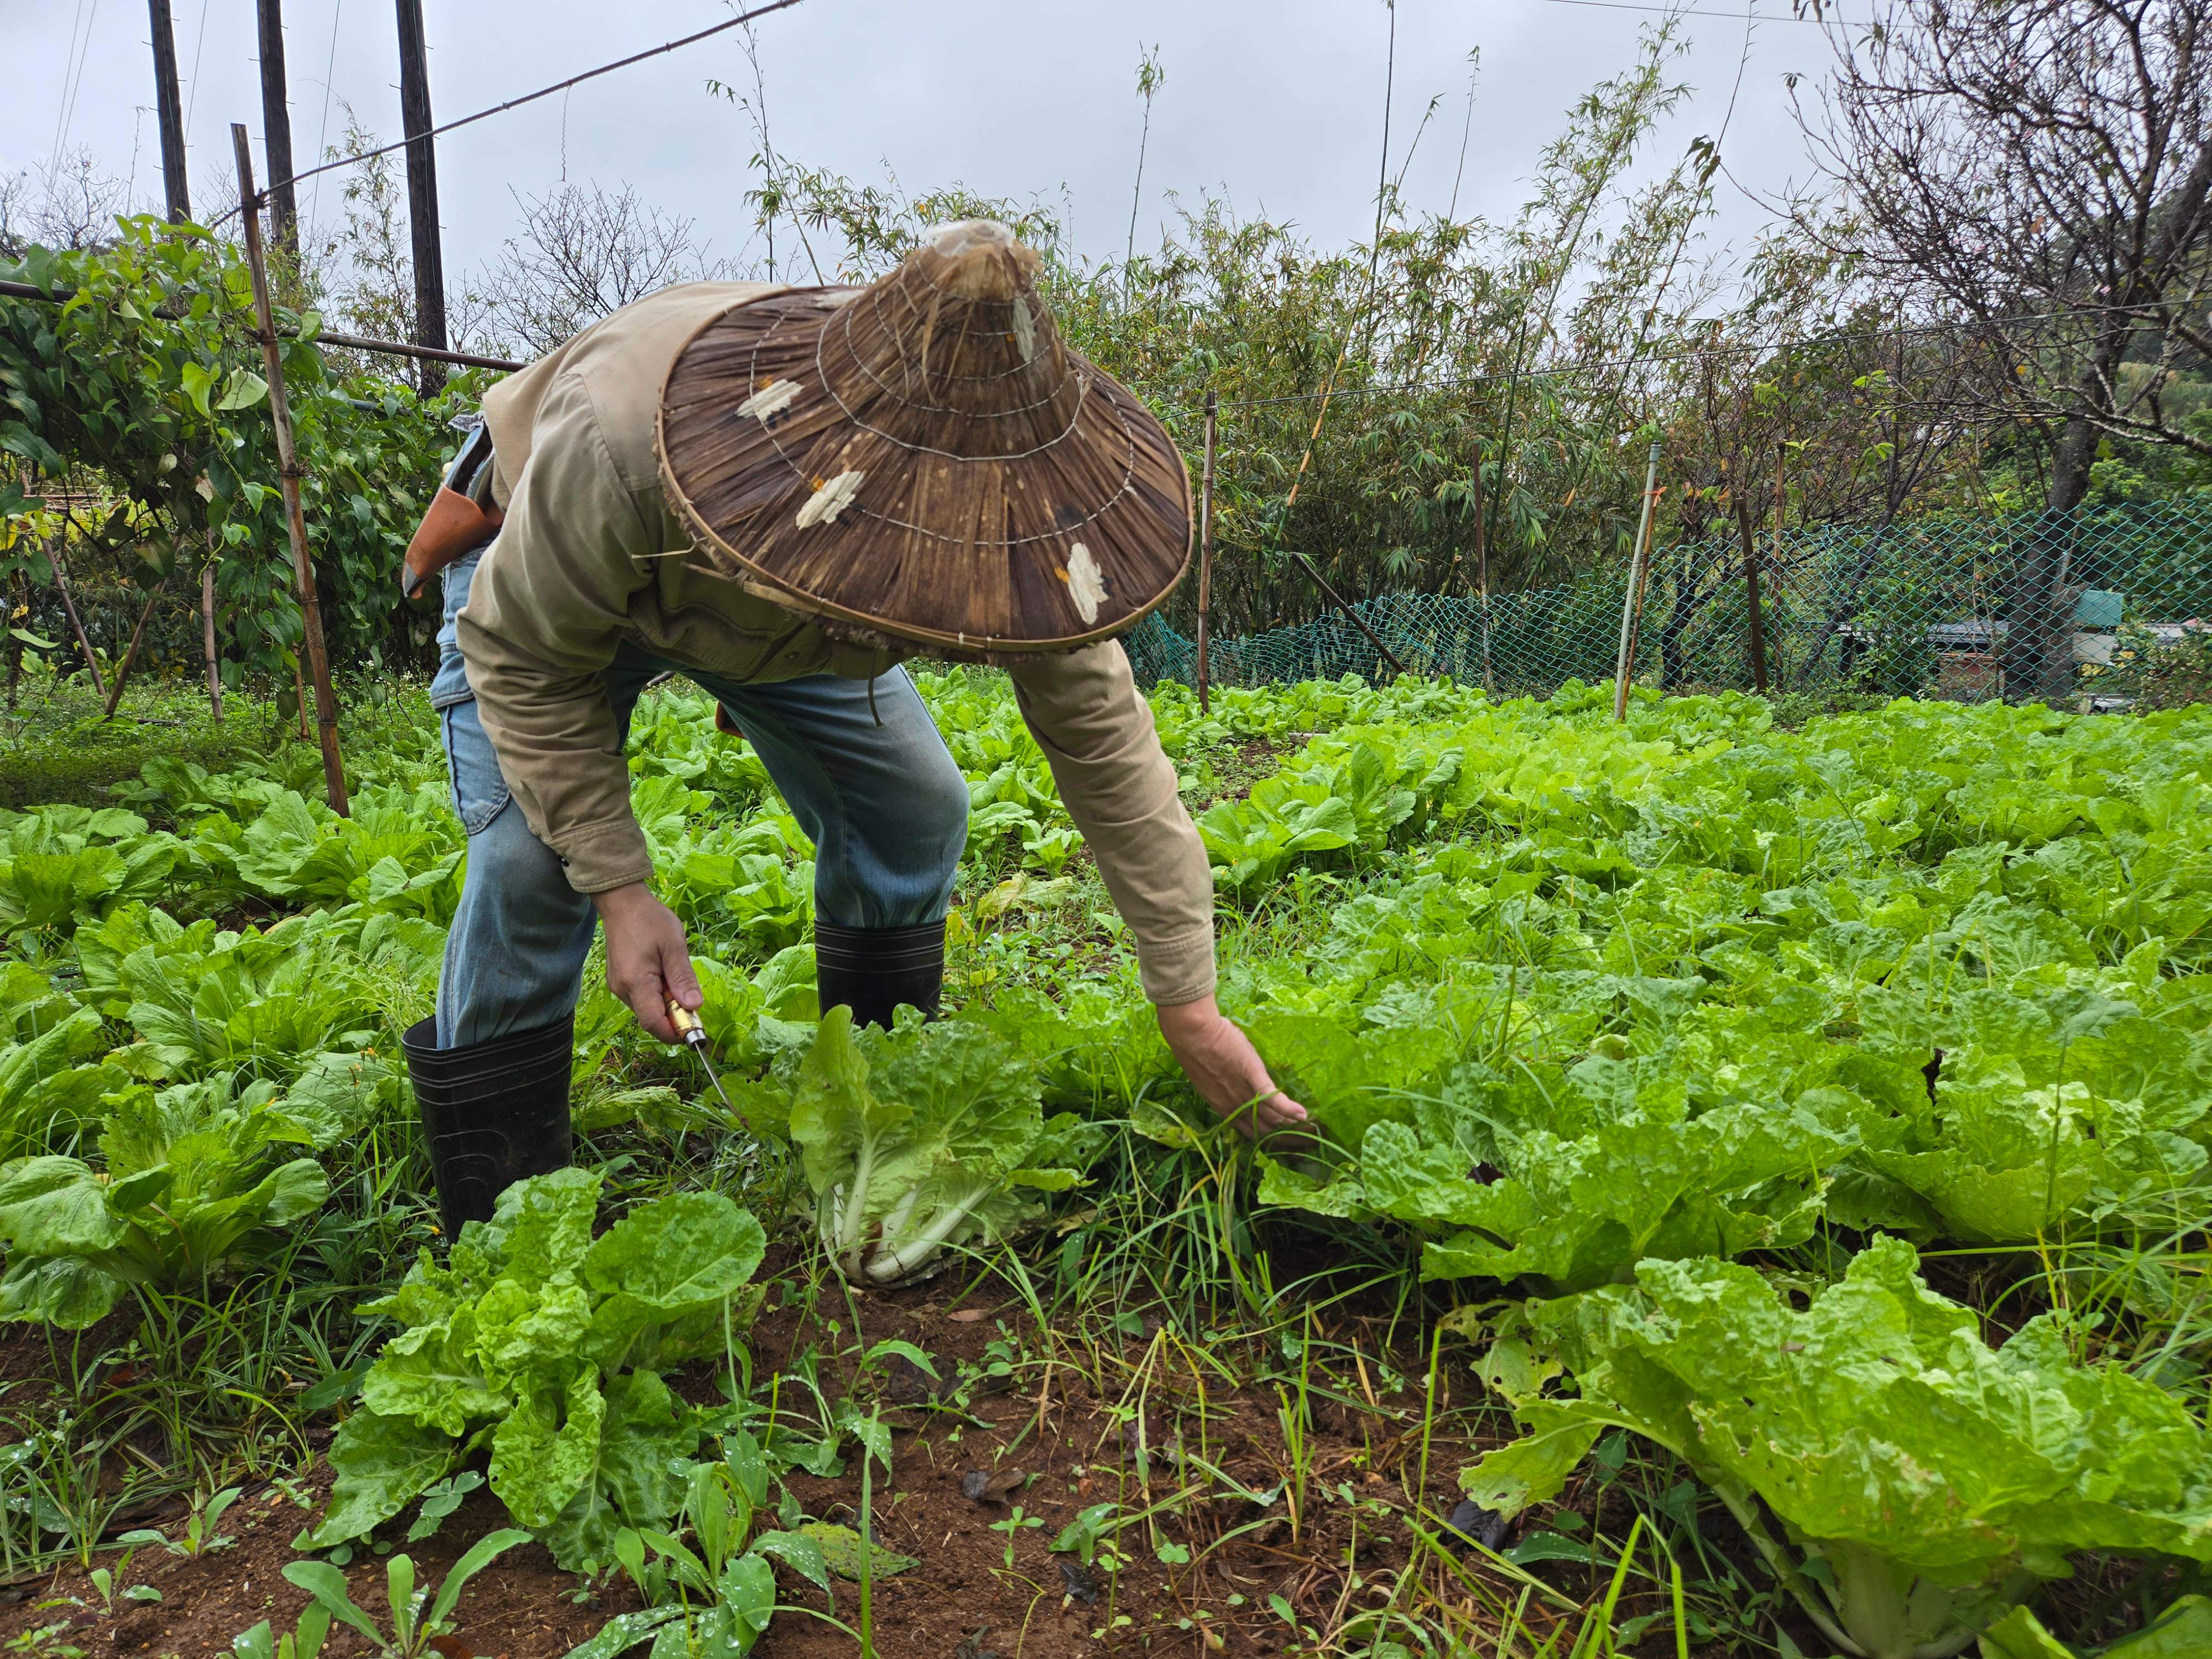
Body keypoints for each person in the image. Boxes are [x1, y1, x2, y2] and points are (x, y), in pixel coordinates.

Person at [398, 219, 1306, 1238]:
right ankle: (502, 1230)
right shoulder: (619, 445)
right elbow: (524, 660)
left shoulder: (1018, 507)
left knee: (914, 807)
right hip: (560, 564)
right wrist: (619, 884)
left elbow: (1107, 745)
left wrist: (1188, 1004)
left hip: (785, 623)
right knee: (532, 864)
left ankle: (871, 1111)